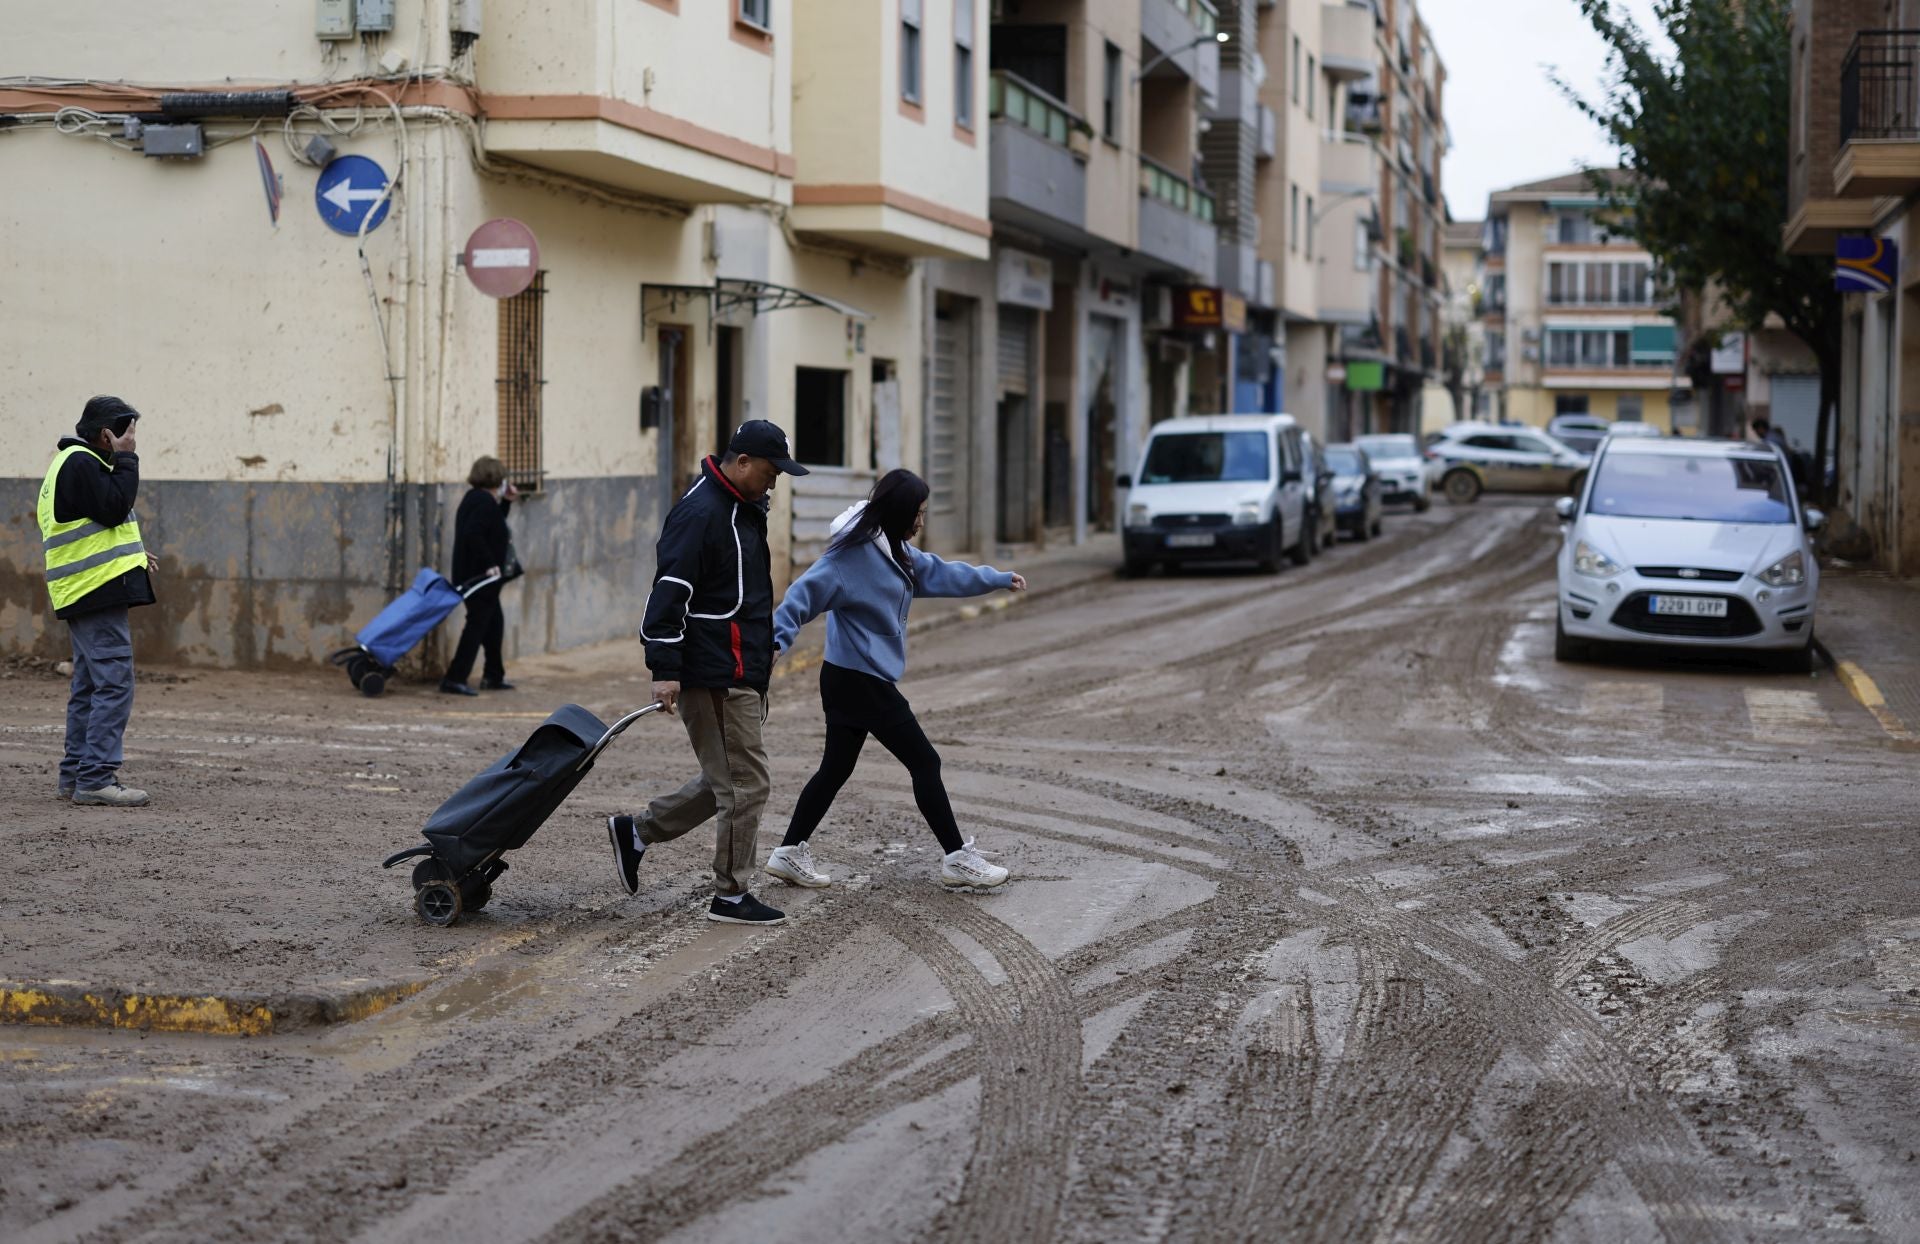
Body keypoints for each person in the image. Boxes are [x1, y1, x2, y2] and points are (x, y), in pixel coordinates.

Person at [764, 469, 1025, 891]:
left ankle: (789, 851)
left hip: (853, 677)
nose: (922, 522)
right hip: (858, 680)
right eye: (918, 513)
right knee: (925, 761)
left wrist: (994, 579)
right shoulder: (849, 557)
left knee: (835, 769)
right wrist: (775, 642)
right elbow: (801, 595)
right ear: (900, 512)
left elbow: (941, 573)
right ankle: (957, 858)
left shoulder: (895, 550)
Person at [605, 420, 807, 925]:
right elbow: (669, 592)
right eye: (768, 472)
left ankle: (637, 833)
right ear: (741, 463)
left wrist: (764, 650)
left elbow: (739, 596)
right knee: (747, 783)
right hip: (714, 672)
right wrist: (665, 668)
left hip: (741, 666)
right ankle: (732, 894)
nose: (773, 483)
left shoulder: (740, 509)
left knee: (729, 777)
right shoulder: (702, 511)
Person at [39, 396, 158, 807]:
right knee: (113, 683)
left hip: (86, 589)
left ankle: (75, 776)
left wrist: (136, 555)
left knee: (89, 686)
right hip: (93, 590)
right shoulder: (82, 462)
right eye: (126, 432)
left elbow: (97, 520)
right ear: (107, 434)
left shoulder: (73, 464)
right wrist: (128, 459)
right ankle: (95, 777)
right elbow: (112, 507)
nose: (131, 439)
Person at [441, 456, 520, 696]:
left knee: (493, 625)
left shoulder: (478, 499)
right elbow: (473, 534)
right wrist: (489, 564)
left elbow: (492, 527)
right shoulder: (482, 502)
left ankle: (493, 675)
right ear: (496, 477)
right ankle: (454, 678)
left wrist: (506, 503)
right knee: (477, 626)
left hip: (478, 577)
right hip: (479, 578)